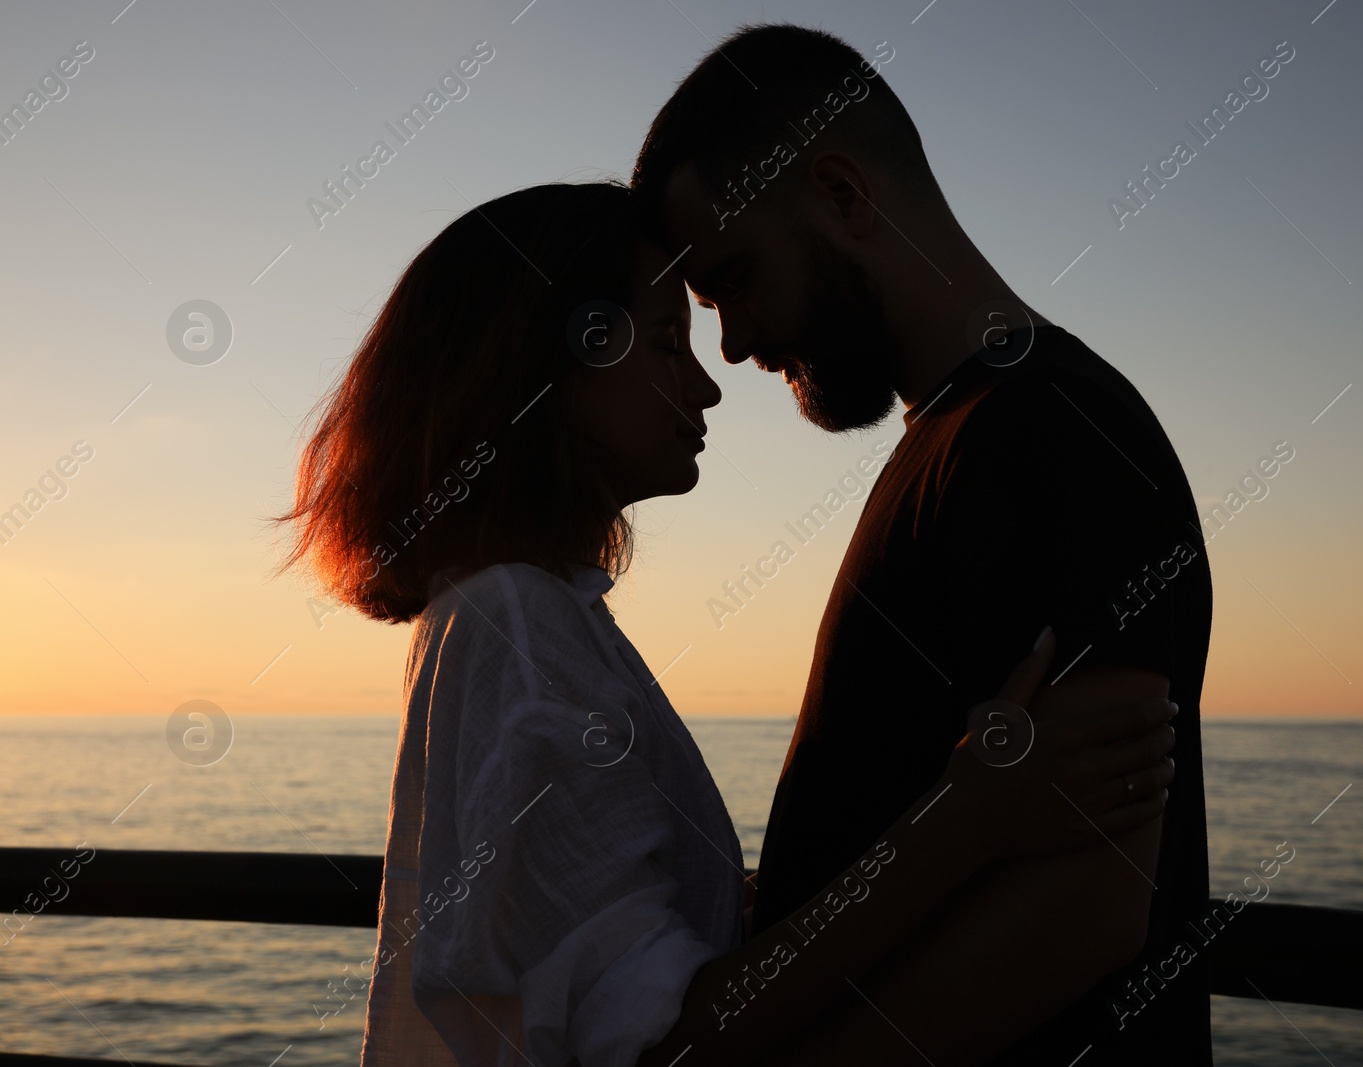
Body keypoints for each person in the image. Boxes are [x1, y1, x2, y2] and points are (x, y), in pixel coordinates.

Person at [276, 181, 1178, 1066]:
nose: (709, 384)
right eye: (669, 341)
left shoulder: (518, 612)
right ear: (545, 367)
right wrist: (967, 816)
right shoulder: (517, 620)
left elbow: (596, 967)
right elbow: (669, 1042)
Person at [630, 24, 1215, 1065]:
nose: (731, 342)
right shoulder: (953, 438)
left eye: (732, 283)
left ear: (844, 196)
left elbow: (1087, 906)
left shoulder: (1057, 431)